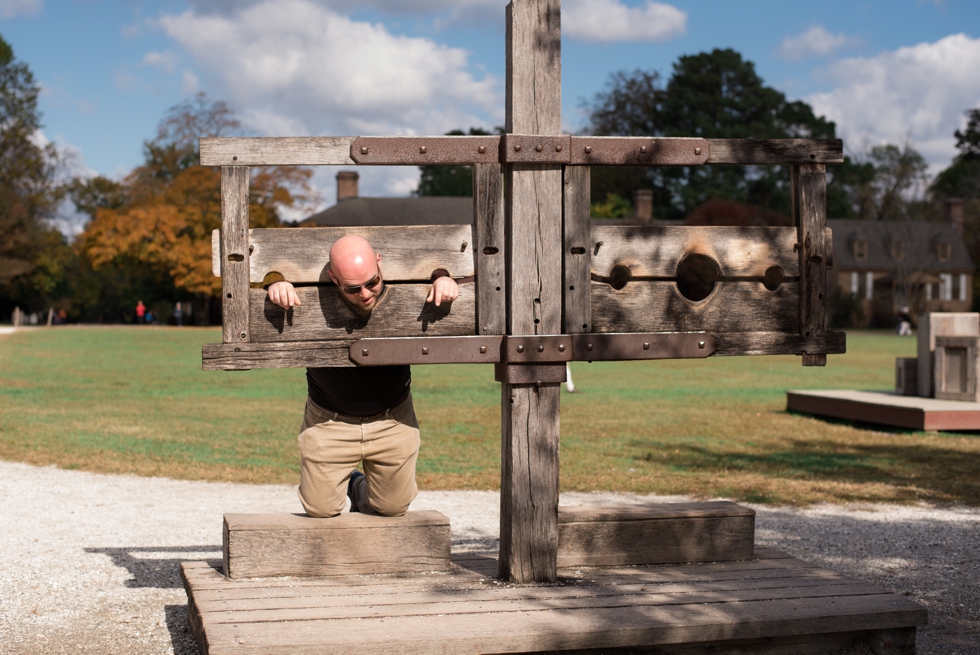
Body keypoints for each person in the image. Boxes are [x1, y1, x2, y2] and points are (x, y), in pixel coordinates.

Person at [266, 235, 459, 518]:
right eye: (353, 288)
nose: (366, 294)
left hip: (393, 417)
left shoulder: (395, 283)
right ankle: (351, 484)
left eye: (372, 282)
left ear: (380, 262)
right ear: (333, 278)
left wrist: (443, 276)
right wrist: (274, 281)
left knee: (391, 507)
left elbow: (444, 264)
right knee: (320, 509)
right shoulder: (320, 289)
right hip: (328, 420)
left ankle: (358, 488)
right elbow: (266, 268)